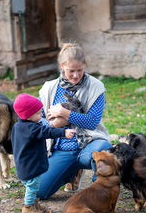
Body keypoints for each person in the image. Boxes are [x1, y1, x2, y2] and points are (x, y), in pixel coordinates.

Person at [37, 43, 112, 200]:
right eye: (71, 71)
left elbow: (92, 122)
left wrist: (64, 113)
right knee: (40, 192)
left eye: (80, 70)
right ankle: (71, 172)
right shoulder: (49, 88)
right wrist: (53, 124)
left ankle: (100, 193)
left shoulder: (96, 87)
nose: (76, 75)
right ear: (62, 66)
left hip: (89, 143)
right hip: (63, 149)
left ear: (84, 66)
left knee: (104, 149)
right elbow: (39, 119)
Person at [11, 93, 76, 213]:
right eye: (38, 113)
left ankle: (34, 204)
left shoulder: (18, 126)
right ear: (28, 115)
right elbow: (47, 131)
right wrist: (63, 131)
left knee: (32, 188)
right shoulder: (32, 128)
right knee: (32, 187)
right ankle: (28, 207)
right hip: (31, 166)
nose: (41, 115)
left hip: (23, 165)